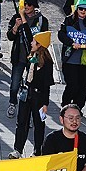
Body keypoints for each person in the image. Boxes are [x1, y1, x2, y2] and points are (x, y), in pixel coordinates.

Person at [8, 31, 54, 159]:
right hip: (26, 94)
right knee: (21, 122)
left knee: (39, 124)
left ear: (39, 45)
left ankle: (37, 151)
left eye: (34, 41)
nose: (31, 43)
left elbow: (47, 86)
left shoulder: (47, 63)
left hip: (39, 97)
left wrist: (45, 103)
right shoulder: (31, 56)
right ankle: (17, 149)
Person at [6, 0, 49, 118]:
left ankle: (28, 110)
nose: (26, 6)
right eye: (25, 3)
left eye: (29, 4)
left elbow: (44, 39)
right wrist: (15, 26)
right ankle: (12, 103)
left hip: (34, 58)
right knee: (15, 83)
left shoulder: (41, 20)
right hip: (19, 57)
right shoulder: (17, 17)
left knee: (31, 86)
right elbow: (10, 36)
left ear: (34, 6)